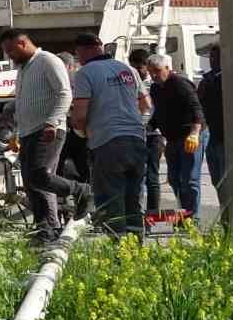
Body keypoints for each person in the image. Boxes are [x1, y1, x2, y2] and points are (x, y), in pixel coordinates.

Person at [0, 28, 91, 241]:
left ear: (22, 44)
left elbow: (64, 93)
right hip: (29, 132)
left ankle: (81, 190)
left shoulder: (48, 61)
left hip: (48, 130)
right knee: (31, 181)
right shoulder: (23, 69)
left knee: (41, 174)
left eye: (11, 51)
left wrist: (52, 122)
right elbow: (25, 100)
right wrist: (17, 129)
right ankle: (45, 228)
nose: (9, 56)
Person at [68, 34, 150, 230]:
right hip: (137, 140)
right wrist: (137, 124)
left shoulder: (85, 73)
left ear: (81, 51)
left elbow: (80, 116)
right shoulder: (127, 69)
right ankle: (135, 249)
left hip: (107, 142)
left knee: (111, 200)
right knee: (133, 199)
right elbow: (146, 104)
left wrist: (81, 131)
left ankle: (119, 253)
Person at [147, 53, 207, 217]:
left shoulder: (180, 84)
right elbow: (160, 112)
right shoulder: (155, 88)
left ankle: (192, 218)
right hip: (173, 138)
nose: (153, 75)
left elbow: (196, 109)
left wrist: (195, 133)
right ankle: (184, 213)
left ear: (167, 69)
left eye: (157, 71)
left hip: (190, 135)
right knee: (174, 179)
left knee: (190, 180)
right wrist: (149, 127)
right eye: (150, 72)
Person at [128, 49, 164, 215]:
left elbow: (155, 109)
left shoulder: (155, 84)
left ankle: (153, 214)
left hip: (153, 135)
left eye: (138, 68)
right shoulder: (131, 83)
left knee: (152, 176)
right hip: (136, 134)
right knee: (136, 176)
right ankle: (137, 212)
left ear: (145, 66)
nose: (136, 72)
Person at [196, 43, 226, 202]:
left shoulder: (228, 79)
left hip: (224, 136)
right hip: (211, 135)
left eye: (217, 57)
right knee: (216, 179)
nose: (213, 60)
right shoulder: (207, 80)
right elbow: (198, 104)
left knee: (224, 178)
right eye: (211, 57)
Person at [56, 52, 91, 185]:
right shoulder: (78, 79)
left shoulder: (77, 80)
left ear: (70, 66)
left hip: (73, 129)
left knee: (77, 165)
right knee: (82, 166)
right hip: (74, 130)